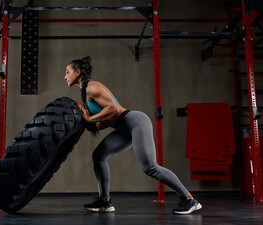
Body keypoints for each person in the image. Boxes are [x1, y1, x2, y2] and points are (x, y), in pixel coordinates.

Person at [64, 56, 202, 215]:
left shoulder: (92, 88)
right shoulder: (86, 94)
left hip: (135, 121)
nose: (65, 76)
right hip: (123, 128)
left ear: (78, 72)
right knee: (99, 155)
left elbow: (114, 109)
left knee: (150, 167)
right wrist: (88, 122)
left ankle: (189, 199)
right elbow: (106, 121)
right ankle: (104, 201)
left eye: (68, 72)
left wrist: (90, 118)